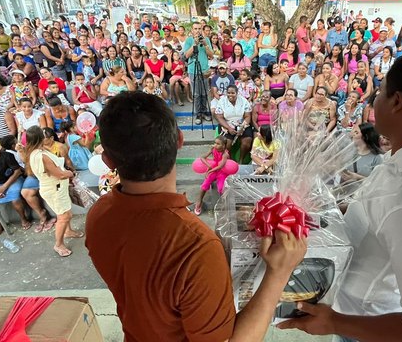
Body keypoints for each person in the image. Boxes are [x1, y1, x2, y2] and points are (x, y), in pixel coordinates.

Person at [280, 47, 402, 341]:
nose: (375, 100)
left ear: (397, 101)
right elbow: (379, 218)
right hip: (354, 315)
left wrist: (335, 323)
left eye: (381, 91)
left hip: (367, 328)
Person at [86, 91, 307, 341]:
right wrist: (279, 273)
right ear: (180, 140)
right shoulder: (194, 247)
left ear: (107, 160)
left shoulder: (98, 215)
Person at [24, 126, 81, 257]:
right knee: (64, 216)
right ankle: (59, 244)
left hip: (56, 187)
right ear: (40, 138)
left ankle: (69, 231)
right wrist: (70, 173)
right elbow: (59, 174)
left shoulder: (35, 152)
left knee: (67, 213)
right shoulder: (42, 156)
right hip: (54, 188)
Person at [183, 22, 214, 124]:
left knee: (204, 92)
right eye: (195, 29)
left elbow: (211, 55)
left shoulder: (207, 39)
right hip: (193, 70)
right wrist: (194, 44)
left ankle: (204, 112)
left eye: (199, 28)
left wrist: (205, 44)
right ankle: (198, 113)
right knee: (196, 93)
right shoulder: (189, 40)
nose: (197, 31)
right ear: (192, 30)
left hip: (204, 69)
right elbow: (186, 55)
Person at [193, 136, 233, 214]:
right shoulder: (213, 149)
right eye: (214, 143)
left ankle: (224, 205)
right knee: (205, 183)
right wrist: (209, 166)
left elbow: (220, 166)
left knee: (221, 188)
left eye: (218, 144)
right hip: (214, 169)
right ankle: (199, 201)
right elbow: (202, 157)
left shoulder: (225, 154)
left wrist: (210, 170)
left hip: (222, 171)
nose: (215, 145)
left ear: (223, 146)